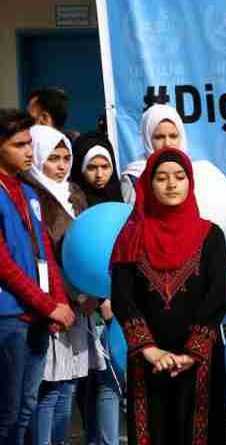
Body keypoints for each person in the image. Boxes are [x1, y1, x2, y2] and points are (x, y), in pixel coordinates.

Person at [111, 147, 226, 445]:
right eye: (161, 178)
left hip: (199, 359)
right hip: (148, 360)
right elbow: (123, 298)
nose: (171, 184)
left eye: (179, 176)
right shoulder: (131, 236)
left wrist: (191, 353)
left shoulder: (209, 235)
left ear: (190, 182)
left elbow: (217, 295)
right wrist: (150, 350)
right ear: (149, 185)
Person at [0, 110, 74, 445]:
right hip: (9, 316)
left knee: (26, 407)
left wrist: (58, 302)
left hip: (37, 316)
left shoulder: (29, 192)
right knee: (8, 411)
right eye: (19, 144)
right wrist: (47, 304)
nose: (29, 151)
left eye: (30, 143)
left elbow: (45, 252)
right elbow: (4, 264)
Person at [24, 125, 94, 445]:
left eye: (66, 157)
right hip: (54, 301)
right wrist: (59, 298)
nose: (62, 165)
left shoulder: (75, 192)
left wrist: (92, 292)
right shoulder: (32, 194)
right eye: (53, 158)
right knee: (48, 388)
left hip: (82, 301)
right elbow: (43, 251)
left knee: (69, 385)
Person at [70, 131, 123, 445]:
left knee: (109, 380)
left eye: (105, 166)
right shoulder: (74, 203)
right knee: (84, 385)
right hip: (84, 306)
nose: (100, 174)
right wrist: (95, 295)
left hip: (115, 308)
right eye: (92, 167)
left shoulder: (119, 203)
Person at [120, 104, 188, 204]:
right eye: (159, 137)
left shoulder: (200, 172)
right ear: (147, 139)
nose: (167, 144)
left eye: (173, 136)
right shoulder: (134, 176)